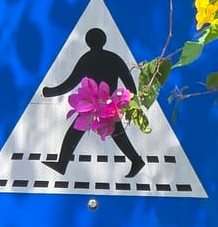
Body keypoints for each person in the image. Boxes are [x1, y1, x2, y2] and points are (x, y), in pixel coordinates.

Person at [42, 28, 144, 178]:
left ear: (88, 42)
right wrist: (131, 101)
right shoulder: (114, 58)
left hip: (99, 106)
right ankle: (62, 164)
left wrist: (50, 92)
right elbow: (130, 84)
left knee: (111, 134)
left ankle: (136, 160)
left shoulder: (87, 58)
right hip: (103, 106)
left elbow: (70, 83)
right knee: (105, 133)